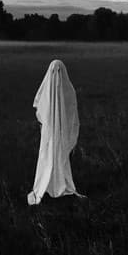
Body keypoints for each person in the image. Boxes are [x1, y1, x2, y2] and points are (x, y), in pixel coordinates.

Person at [27, 59, 84, 205]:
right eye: (54, 72)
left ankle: (59, 181)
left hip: (59, 130)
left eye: (59, 71)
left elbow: (71, 109)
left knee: (58, 154)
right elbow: (39, 105)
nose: (57, 76)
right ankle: (47, 182)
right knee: (47, 154)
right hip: (50, 132)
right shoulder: (47, 89)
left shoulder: (68, 90)